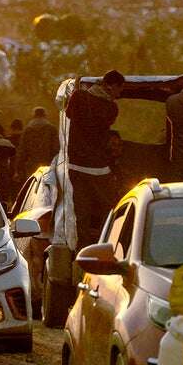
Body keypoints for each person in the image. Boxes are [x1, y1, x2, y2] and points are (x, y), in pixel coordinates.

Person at [65, 70, 124, 246]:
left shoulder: (78, 97)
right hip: (98, 167)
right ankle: (107, 245)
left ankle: (82, 251)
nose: (119, 94)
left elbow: (69, 114)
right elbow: (104, 125)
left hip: (75, 165)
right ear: (112, 86)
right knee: (110, 208)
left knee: (81, 213)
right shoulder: (111, 107)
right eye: (119, 90)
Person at [15, 106, 60, 181]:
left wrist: (18, 169)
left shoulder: (27, 130)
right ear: (45, 115)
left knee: (32, 187)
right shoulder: (52, 129)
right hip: (48, 165)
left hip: (31, 165)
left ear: (34, 116)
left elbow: (22, 150)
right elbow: (56, 149)